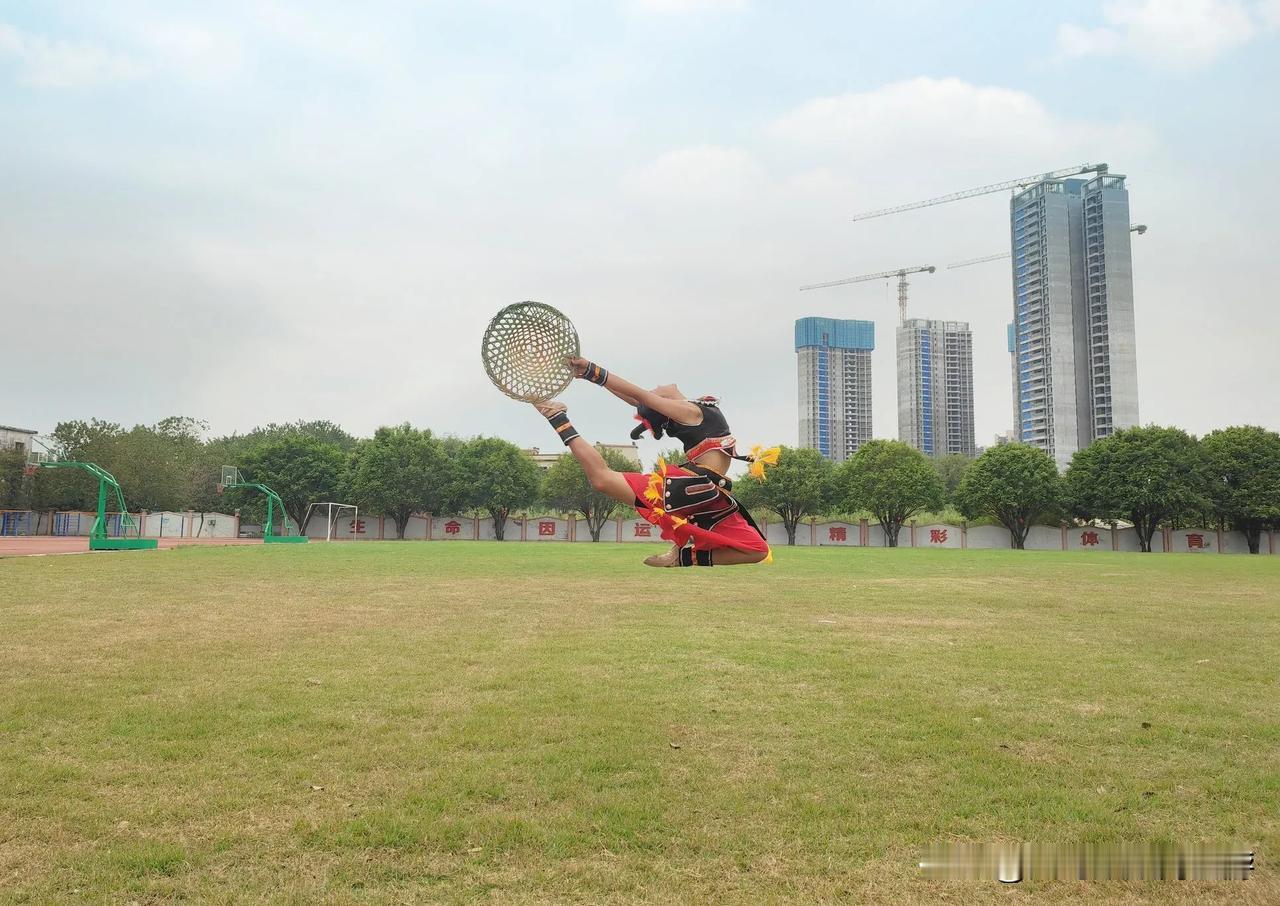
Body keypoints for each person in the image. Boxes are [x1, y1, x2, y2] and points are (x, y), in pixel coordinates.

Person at [532, 356, 777, 567]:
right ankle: (557, 417)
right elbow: (639, 398)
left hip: (705, 492)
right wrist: (590, 374)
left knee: (757, 550)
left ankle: (684, 557)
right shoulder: (691, 411)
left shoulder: (693, 411)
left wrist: (591, 371)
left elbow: (640, 396)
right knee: (602, 479)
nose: (657, 387)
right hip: (695, 488)